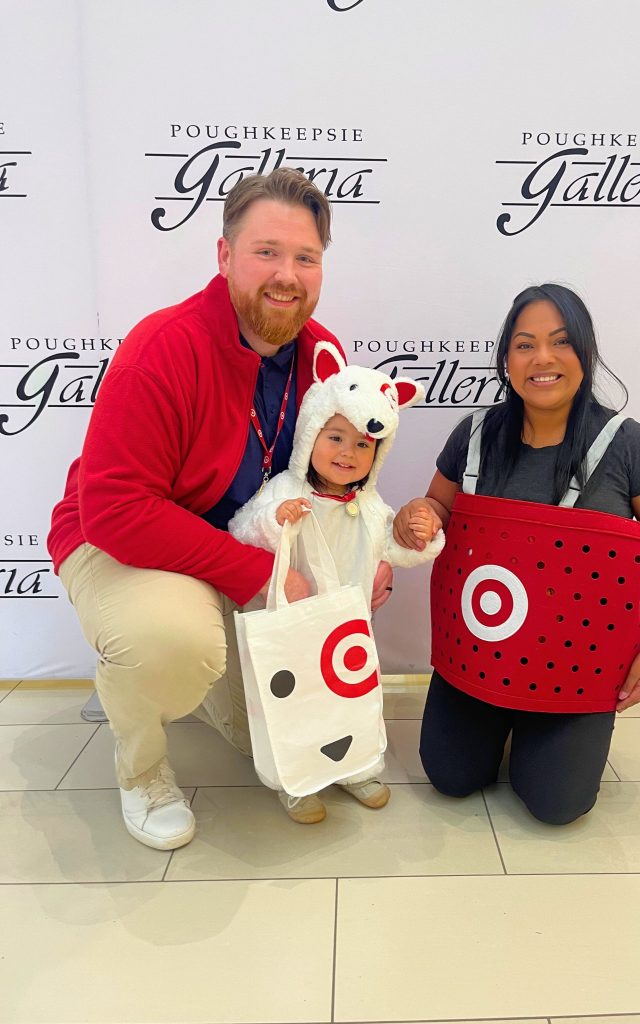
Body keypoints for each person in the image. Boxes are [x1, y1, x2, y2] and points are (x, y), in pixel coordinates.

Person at [46, 169, 393, 851]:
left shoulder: (324, 356)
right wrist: (256, 575)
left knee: (259, 730)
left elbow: (338, 480)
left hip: (241, 542)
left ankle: (180, 684)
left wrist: (369, 553)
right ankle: (142, 764)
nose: (286, 275)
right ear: (225, 255)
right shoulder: (162, 346)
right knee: (172, 644)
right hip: (123, 542)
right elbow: (114, 509)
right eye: (266, 252)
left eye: (305, 257)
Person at [393, 284, 640, 825]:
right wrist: (419, 512)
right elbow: (439, 505)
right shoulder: (475, 435)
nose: (543, 359)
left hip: (578, 668)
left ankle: (540, 731)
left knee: (558, 805)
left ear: (585, 352)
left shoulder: (629, 445)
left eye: (560, 342)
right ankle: (505, 723)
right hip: (480, 654)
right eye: (525, 345)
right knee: (451, 777)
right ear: (507, 359)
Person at [231, 344, 444, 823]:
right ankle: (296, 779)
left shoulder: (368, 505)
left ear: (378, 453)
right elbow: (242, 529)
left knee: (353, 699)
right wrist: (275, 518)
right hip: (293, 628)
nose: (347, 453)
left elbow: (395, 546)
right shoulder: (286, 489)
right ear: (310, 434)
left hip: (348, 635)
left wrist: (420, 535)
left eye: (363, 445)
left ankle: (358, 766)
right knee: (295, 703)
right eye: (335, 437)